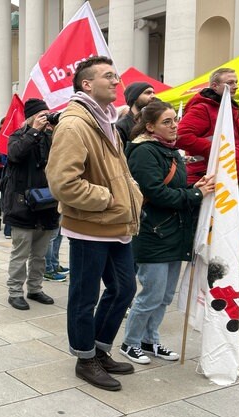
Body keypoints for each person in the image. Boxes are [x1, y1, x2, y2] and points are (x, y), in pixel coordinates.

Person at [46, 56, 143, 392]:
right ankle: (85, 357)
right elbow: (62, 182)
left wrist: (131, 196)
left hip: (116, 224)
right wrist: (108, 199)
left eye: (116, 76)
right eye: (108, 76)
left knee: (124, 288)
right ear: (86, 85)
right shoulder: (75, 124)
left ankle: (100, 349)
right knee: (85, 295)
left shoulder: (105, 119)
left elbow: (120, 171)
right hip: (90, 224)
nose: (117, 81)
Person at [120, 100, 216, 364]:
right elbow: (155, 193)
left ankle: (150, 339)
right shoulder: (143, 152)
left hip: (173, 232)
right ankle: (130, 343)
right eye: (167, 121)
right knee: (151, 294)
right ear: (150, 126)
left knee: (164, 296)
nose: (175, 125)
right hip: (153, 232)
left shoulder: (170, 151)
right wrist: (196, 193)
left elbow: (175, 189)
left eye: (175, 120)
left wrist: (196, 186)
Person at [176, 67, 239, 279]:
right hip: (208, 178)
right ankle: (201, 278)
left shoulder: (227, 108)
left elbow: (229, 143)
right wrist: (221, 151)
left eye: (236, 82)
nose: (235, 86)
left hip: (226, 178)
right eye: (230, 82)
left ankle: (219, 271)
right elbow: (182, 136)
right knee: (207, 233)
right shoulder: (203, 108)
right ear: (214, 86)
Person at [3, 99, 61, 310]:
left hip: (47, 205)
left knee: (40, 254)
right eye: (41, 115)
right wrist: (34, 131)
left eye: (48, 114)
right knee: (20, 253)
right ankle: (15, 291)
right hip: (22, 206)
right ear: (30, 117)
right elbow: (16, 155)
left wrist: (56, 130)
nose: (45, 118)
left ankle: (35, 288)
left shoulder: (50, 136)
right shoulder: (18, 136)